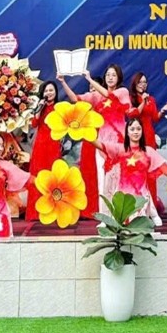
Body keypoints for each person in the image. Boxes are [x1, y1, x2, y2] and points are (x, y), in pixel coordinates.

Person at [58, 65, 131, 218]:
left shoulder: (122, 92)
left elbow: (110, 96)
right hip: (102, 143)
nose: (110, 78)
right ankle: (105, 216)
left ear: (119, 78)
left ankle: (122, 215)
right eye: (108, 75)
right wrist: (63, 82)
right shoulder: (97, 96)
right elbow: (76, 99)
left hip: (119, 142)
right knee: (102, 181)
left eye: (113, 75)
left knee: (120, 179)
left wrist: (89, 79)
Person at [97, 117, 167, 227]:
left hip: (141, 199)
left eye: (138, 129)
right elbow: (99, 145)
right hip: (123, 199)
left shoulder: (149, 151)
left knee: (138, 227)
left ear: (142, 131)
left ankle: (153, 216)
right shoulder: (120, 149)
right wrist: (83, 131)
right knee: (122, 228)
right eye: (132, 129)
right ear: (127, 132)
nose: (135, 132)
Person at [23, 80, 62, 222]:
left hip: (54, 144)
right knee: (38, 176)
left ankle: (53, 211)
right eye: (46, 91)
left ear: (56, 92)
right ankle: (35, 212)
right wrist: (39, 108)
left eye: (51, 90)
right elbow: (34, 124)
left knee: (53, 176)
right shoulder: (40, 107)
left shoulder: (59, 107)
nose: (49, 93)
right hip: (40, 145)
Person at [128, 72, 167, 149]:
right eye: (140, 82)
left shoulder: (151, 99)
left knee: (150, 154)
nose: (142, 84)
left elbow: (155, 118)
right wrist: (143, 102)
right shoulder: (130, 99)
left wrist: (162, 111)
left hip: (149, 134)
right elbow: (133, 115)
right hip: (136, 133)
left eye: (144, 82)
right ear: (135, 84)